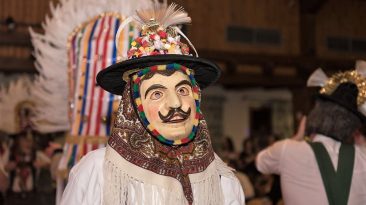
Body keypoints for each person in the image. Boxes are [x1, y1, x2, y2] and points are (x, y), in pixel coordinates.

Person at [60, 3, 245, 205]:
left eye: (183, 90)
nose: (176, 103)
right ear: (133, 107)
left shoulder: (221, 180)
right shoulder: (99, 172)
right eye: (157, 93)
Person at [256, 68, 366, 205]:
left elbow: (260, 163)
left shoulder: (287, 150)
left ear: (316, 114)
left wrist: (297, 137)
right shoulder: (362, 157)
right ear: (353, 126)